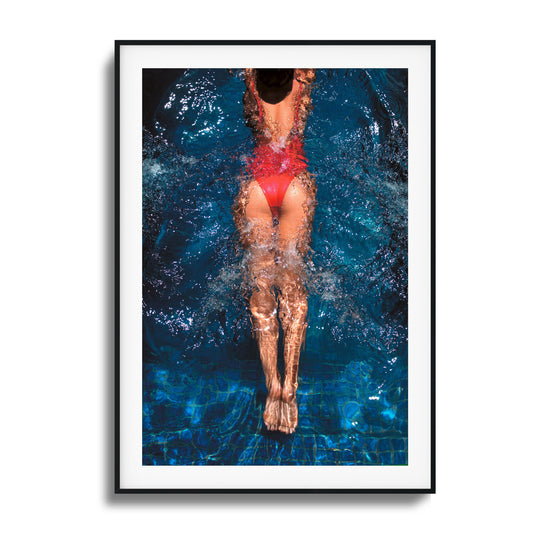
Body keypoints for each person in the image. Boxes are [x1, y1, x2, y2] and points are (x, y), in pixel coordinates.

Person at [233, 68, 316, 433]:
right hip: (295, 183)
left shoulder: (252, 80)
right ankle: (291, 389)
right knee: (293, 286)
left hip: (256, 186)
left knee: (261, 284)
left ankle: (273, 386)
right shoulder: (302, 80)